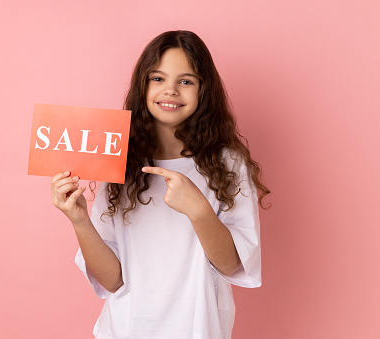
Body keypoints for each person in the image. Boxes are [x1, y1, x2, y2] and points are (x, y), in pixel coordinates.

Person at [51, 30, 270, 339]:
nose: (170, 91)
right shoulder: (121, 160)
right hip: (125, 329)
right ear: (143, 85)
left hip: (199, 329)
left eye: (186, 81)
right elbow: (112, 280)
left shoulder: (228, 164)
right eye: (157, 79)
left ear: (203, 91)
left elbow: (233, 264)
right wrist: (78, 219)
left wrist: (199, 210)